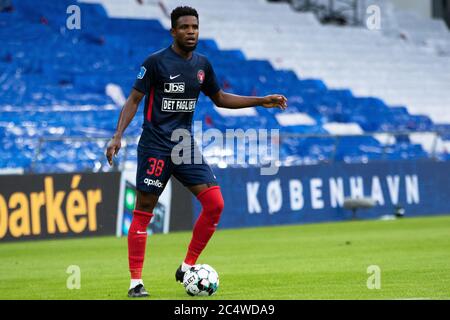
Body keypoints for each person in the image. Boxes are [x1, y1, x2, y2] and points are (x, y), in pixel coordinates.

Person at [105, 6, 287, 298]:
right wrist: (117, 136)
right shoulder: (155, 63)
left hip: (184, 146)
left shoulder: (203, 65)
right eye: (185, 27)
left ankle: (187, 265)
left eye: (195, 27)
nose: (191, 32)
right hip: (154, 146)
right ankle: (135, 283)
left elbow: (221, 98)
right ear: (173, 31)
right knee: (144, 211)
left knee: (215, 203)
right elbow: (134, 99)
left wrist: (261, 100)